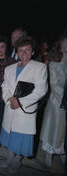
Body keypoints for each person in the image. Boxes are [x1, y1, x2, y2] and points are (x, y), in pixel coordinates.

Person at [0, 36, 48, 174]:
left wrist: (20, 102)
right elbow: (5, 86)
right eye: (21, 50)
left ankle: (17, 160)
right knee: (10, 135)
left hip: (25, 110)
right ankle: (10, 157)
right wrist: (10, 99)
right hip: (10, 108)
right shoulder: (9, 68)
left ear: (33, 52)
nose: (24, 53)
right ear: (17, 52)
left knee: (21, 138)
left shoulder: (40, 67)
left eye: (27, 50)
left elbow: (41, 90)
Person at [39, 35, 67, 167]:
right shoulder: (55, 64)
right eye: (65, 43)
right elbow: (55, 85)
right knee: (54, 129)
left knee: (64, 130)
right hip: (57, 103)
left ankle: (62, 152)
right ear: (60, 47)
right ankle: (49, 154)